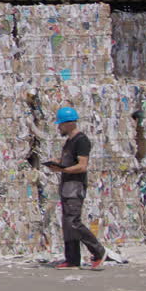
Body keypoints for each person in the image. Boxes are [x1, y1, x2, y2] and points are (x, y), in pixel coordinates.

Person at [44, 107, 107, 269]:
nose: (59, 128)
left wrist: (62, 170)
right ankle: (72, 259)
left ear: (69, 123)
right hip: (66, 185)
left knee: (73, 222)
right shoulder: (69, 141)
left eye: (60, 125)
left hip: (75, 186)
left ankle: (98, 251)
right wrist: (57, 161)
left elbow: (82, 166)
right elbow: (69, 160)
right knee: (67, 223)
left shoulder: (81, 140)